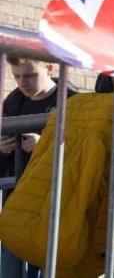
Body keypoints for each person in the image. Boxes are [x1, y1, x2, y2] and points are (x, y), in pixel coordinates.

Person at [1, 57, 76, 278]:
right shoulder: (12, 104)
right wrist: (3, 151)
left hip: (58, 211)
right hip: (18, 211)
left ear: (50, 68)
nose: (22, 82)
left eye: (30, 76)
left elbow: (84, 154)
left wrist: (45, 145)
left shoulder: (72, 101)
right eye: (17, 76)